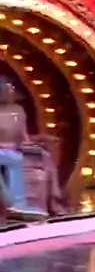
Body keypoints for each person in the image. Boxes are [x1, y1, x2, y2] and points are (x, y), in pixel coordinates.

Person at [0, 79, 65, 217]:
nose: (11, 92)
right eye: (7, 89)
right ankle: (16, 205)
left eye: (11, 89)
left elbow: (25, 137)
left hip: (18, 148)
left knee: (44, 156)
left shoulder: (18, 110)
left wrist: (40, 138)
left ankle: (52, 203)